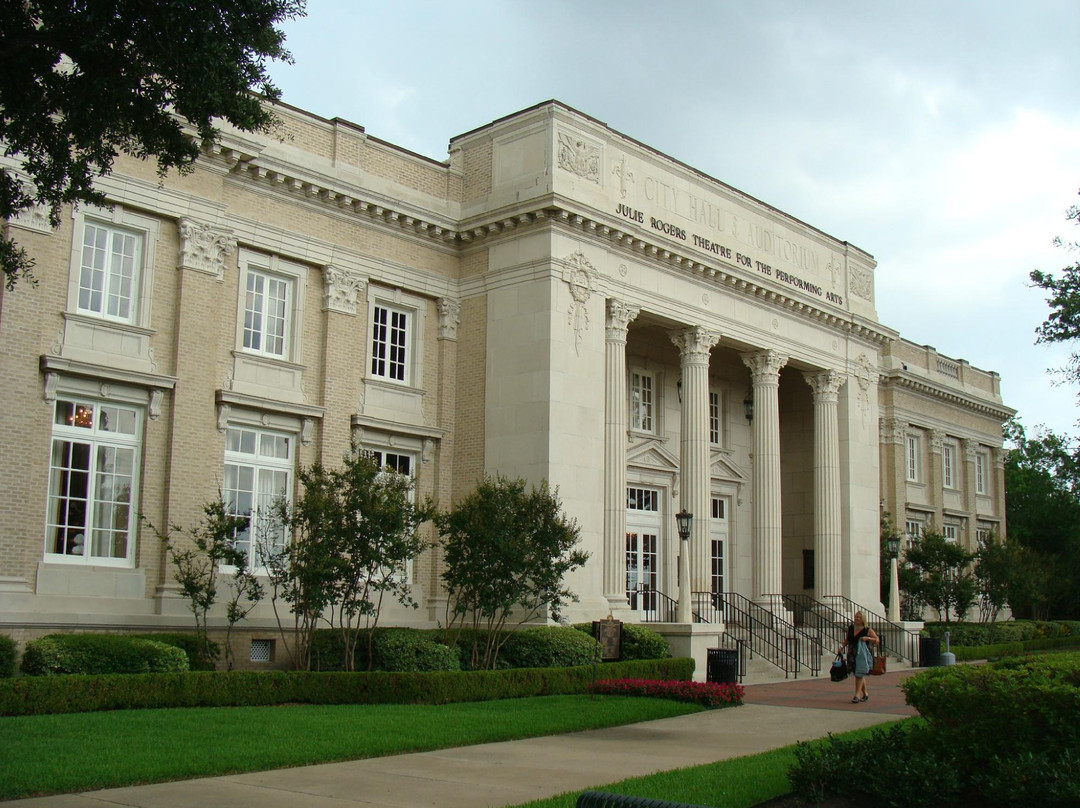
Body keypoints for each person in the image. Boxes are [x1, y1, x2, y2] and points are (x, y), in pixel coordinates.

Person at [838, 611, 878, 703]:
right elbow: (847, 639)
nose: (857, 619)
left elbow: (877, 640)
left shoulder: (867, 629)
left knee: (859, 673)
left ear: (863, 619)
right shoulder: (851, 628)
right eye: (856, 617)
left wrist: (867, 638)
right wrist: (841, 647)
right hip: (852, 652)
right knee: (858, 673)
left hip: (862, 653)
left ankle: (857, 695)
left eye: (859, 617)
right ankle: (865, 693)